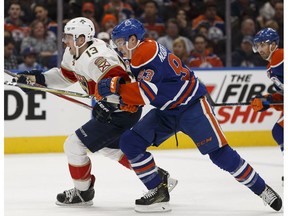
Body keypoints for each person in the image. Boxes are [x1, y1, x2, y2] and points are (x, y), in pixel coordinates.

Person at [94, 18, 282, 213]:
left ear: (132, 40)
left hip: (192, 107)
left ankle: (262, 189)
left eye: (120, 42)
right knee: (130, 143)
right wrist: (126, 100)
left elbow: (144, 94)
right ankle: (158, 189)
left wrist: (117, 89)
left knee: (220, 155)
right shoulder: (138, 53)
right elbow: (146, 92)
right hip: (168, 111)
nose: (118, 47)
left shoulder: (145, 53)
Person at [14, 17, 177, 207]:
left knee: (73, 145)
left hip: (119, 111)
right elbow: (65, 76)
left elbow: (123, 80)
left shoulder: (97, 59)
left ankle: (83, 193)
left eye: (68, 36)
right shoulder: (72, 52)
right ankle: (156, 175)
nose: (64, 40)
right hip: (108, 108)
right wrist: (39, 79)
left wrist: (123, 101)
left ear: (81, 39)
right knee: (110, 148)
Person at [250, 28, 283, 173]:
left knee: (280, 131)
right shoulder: (270, 68)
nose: (260, 49)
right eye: (258, 45)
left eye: (263, 45)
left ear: (274, 45)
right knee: (279, 131)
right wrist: (268, 100)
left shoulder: (280, 56)